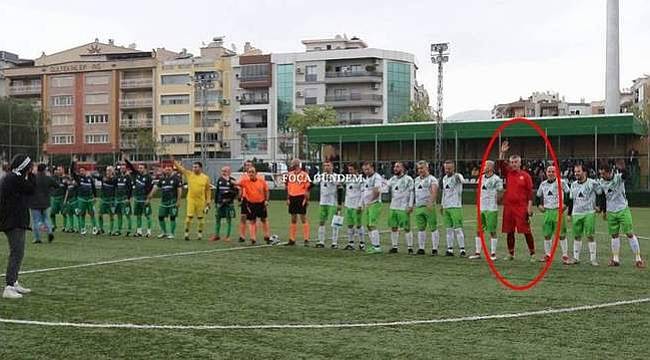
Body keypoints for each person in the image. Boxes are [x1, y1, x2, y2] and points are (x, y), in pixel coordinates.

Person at [1, 154, 36, 299]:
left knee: (18, 253)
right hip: (13, 221)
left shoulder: (12, 177)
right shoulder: (15, 178)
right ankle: (9, 286)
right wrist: (32, 176)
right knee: (16, 252)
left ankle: (13, 282)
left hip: (14, 220)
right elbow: (31, 189)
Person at [598, 165, 645, 268]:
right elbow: (603, 197)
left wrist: (623, 168)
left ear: (609, 172)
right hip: (611, 212)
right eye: (600, 173)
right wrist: (604, 211)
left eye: (603, 173)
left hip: (623, 210)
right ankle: (615, 259)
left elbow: (627, 176)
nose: (601, 175)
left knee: (629, 233)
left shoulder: (619, 178)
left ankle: (638, 259)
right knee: (614, 235)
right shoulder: (601, 182)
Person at [498, 141, 535, 261]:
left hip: (521, 207)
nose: (513, 164)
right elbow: (499, 163)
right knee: (509, 231)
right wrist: (503, 152)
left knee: (526, 231)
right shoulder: (508, 172)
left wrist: (529, 207)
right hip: (508, 207)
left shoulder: (526, 176)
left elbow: (530, 193)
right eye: (511, 162)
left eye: (515, 162)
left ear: (520, 163)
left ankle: (532, 253)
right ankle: (511, 254)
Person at [568, 164, 604, 266]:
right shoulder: (573, 184)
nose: (576, 174)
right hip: (576, 213)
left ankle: (593, 259)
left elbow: (601, 194)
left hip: (589, 213)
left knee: (590, 236)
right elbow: (571, 200)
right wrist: (569, 214)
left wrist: (599, 206)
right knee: (577, 236)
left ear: (584, 172)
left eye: (578, 171)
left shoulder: (592, 183)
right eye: (575, 172)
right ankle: (576, 258)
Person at [535, 165, 571, 264]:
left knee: (561, 235)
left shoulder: (561, 182)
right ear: (546, 173)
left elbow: (568, 194)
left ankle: (565, 256)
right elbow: (537, 196)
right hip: (547, 211)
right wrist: (539, 206)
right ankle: (548, 255)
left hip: (558, 211)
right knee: (547, 235)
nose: (550, 173)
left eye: (552, 171)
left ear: (556, 173)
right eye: (549, 171)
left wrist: (565, 205)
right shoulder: (543, 184)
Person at [470, 160, 503, 260]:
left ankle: (493, 254)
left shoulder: (497, 179)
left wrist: (498, 199)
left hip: (491, 209)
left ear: (492, 167)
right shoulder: (481, 178)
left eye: (487, 166)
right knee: (478, 230)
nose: (484, 167)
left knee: (492, 231)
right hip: (481, 208)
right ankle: (477, 253)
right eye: (484, 165)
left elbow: (501, 191)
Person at [173, 159, 211, 241]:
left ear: (200, 168)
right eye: (193, 167)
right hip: (191, 199)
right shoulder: (189, 174)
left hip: (201, 200)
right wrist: (174, 161)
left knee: (201, 219)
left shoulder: (205, 178)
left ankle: (199, 234)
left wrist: (208, 201)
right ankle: (186, 233)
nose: (194, 168)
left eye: (196, 167)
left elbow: (208, 190)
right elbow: (181, 169)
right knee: (189, 218)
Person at [237, 167, 270, 245]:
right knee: (252, 220)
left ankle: (267, 235)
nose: (251, 174)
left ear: (256, 173)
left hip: (261, 203)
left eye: (252, 172)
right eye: (249, 172)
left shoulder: (262, 181)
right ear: (247, 173)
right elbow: (237, 184)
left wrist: (266, 201)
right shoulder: (245, 181)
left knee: (263, 219)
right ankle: (253, 238)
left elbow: (267, 191)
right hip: (251, 204)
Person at [148, 164, 182, 239]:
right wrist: (150, 195)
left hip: (172, 202)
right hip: (163, 202)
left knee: (172, 217)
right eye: (166, 169)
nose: (167, 171)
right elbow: (156, 187)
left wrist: (178, 201)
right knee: (160, 217)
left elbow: (179, 190)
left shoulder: (176, 179)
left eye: (169, 169)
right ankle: (164, 232)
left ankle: (172, 233)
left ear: (172, 170)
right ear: (164, 170)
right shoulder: (162, 179)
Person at [387, 162, 414, 254]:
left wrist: (410, 205)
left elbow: (412, 193)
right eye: (394, 166)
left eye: (397, 167)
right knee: (393, 227)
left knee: (407, 228)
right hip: (393, 207)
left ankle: (410, 248)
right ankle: (394, 247)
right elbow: (385, 187)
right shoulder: (392, 179)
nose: (395, 168)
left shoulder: (408, 179)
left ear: (403, 168)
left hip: (403, 207)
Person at [413, 161, 440, 256]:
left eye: (422, 168)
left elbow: (434, 191)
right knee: (421, 228)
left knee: (433, 227)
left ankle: (435, 249)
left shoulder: (432, 179)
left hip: (428, 207)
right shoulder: (416, 180)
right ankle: (421, 248)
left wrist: (431, 202)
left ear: (427, 168)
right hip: (418, 207)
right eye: (419, 168)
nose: (420, 170)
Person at [28, 164, 58, 244]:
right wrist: (50, 191)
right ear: (45, 170)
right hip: (46, 202)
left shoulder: (33, 178)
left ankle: (37, 238)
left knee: (35, 221)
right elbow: (56, 185)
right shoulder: (48, 178)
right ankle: (50, 232)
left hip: (34, 202)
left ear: (37, 169)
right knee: (47, 219)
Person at [315, 160, 343, 249]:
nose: (326, 167)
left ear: (332, 167)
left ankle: (334, 242)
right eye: (325, 165)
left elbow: (340, 188)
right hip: (323, 202)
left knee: (335, 222)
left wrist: (339, 203)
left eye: (328, 165)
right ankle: (321, 241)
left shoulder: (336, 177)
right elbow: (313, 183)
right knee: (321, 222)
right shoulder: (321, 176)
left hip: (333, 203)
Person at [441, 160, 466, 257]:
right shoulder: (444, 178)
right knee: (448, 229)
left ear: (453, 168)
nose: (447, 170)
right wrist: (442, 205)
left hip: (456, 207)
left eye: (449, 168)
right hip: (447, 207)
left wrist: (458, 177)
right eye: (446, 168)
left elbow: (462, 180)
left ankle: (462, 250)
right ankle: (449, 249)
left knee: (458, 229)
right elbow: (444, 192)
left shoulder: (457, 176)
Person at [124, 157, 154, 237]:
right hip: (137, 200)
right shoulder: (136, 174)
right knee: (138, 215)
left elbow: (152, 189)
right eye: (139, 168)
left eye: (141, 168)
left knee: (147, 216)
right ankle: (139, 231)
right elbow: (131, 166)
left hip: (144, 200)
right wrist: (126, 159)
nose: (140, 169)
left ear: (145, 169)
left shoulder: (148, 177)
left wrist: (148, 199)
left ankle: (149, 232)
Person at [285, 159, 311, 246]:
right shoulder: (289, 175)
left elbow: (307, 188)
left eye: (292, 164)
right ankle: (292, 239)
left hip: (301, 197)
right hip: (292, 197)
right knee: (293, 218)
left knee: (303, 218)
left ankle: (306, 239)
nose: (291, 165)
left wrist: (306, 199)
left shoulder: (304, 175)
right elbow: (288, 187)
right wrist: (288, 198)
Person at [361, 161, 384, 254]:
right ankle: (374, 245)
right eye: (364, 169)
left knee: (372, 224)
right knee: (368, 225)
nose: (366, 171)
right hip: (369, 204)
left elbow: (377, 191)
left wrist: (370, 201)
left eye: (367, 169)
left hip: (374, 204)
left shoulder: (377, 177)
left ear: (372, 168)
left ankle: (377, 247)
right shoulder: (366, 177)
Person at [70, 162, 98, 236]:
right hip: (81, 199)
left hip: (90, 199)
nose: (81, 172)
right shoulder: (78, 178)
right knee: (82, 214)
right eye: (80, 171)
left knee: (92, 214)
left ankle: (95, 228)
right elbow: (72, 172)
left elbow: (94, 188)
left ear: (86, 171)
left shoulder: (90, 179)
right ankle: (83, 229)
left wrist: (95, 197)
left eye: (83, 170)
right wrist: (73, 163)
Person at [211, 166, 237, 242]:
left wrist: (230, 198)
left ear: (229, 172)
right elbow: (217, 192)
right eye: (222, 171)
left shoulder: (232, 180)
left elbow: (235, 192)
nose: (223, 172)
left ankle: (228, 236)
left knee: (229, 219)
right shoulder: (219, 180)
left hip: (228, 204)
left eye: (225, 171)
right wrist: (216, 202)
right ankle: (216, 235)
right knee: (217, 219)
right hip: (220, 203)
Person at [343, 163, 364, 250]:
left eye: (351, 170)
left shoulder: (361, 179)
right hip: (349, 205)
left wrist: (360, 205)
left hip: (356, 205)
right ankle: (350, 243)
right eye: (349, 170)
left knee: (358, 225)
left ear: (356, 170)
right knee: (350, 224)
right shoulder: (348, 179)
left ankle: (362, 243)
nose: (350, 171)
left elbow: (363, 193)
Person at [96, 166, 118, 235]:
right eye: (107, 170)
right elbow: (95, 176)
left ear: (112, 172)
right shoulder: (103, 178)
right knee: (100, 215)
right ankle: (101, 229)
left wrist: (109, 178)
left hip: (111, 200)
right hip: (103, 200)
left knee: (111, 216)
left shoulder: (115, 179)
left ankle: (111, 230)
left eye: (109, 170)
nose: (108, 172)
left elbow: (114, 181)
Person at [114, 164, 133, 236]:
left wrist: (128, 198)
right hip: (118, 198)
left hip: (125, 198)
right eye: (121, 168)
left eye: (124, 168)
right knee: (119, 214)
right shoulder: (118, 177)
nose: (122, 169)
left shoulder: (128, 177)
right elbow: (115, 185)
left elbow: (130, 188)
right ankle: (119, 230)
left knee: (127, 214)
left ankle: (129, 229)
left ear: (126, 169)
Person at [238, 160, 254, 243]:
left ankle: (252, 236)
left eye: (249, 165)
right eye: (246, 165)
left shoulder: (255, 176)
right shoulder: (243, 176)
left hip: (253, 200)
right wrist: (239, 198)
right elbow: (241, 187)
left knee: (252, 219)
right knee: (243, 218)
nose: (247, 167)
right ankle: (242, 236)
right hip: (245, 199)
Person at [49, 165, 67, 232]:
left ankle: (65, 227)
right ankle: (54, 225)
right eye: (57, 169)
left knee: (64, 213)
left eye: (60, 170)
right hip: (54, 197)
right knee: (52, 213)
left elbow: (68, 188)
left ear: (63, 170)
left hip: (62, 197)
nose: (58, 171)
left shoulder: (65, 178)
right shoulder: (52, 178)